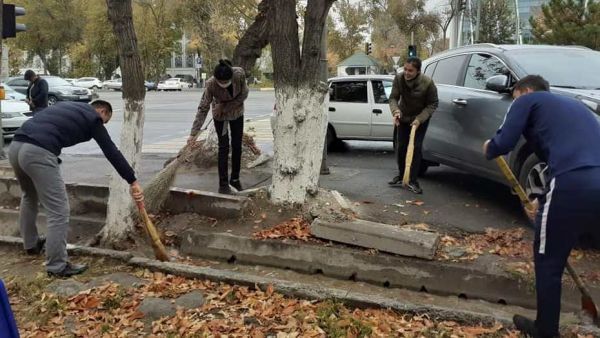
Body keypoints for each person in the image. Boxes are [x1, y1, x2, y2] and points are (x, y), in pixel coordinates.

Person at [483, 75, 600, 338]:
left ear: (524, 91)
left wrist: (490, 146)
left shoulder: (528, 100)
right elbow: (563, 158)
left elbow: (503, 142)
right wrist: (544, 200)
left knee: (548, 261)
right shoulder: (574, 107)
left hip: (572, 183)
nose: (514, 104)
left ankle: (545, 331)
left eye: (514, 99)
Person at [8, 100, 144, 278]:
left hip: (16, 147)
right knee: (59, 211)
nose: (102, 125)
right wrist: (132, 180)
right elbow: (111, 151)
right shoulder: (93, 118)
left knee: (29, 196)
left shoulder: (68, 106)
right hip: (38, 152)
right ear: (102, 111)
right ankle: (57, 266)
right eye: (105, 121)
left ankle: (31, 244)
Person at [188, 59, 249, 194]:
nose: (223, 84)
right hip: (220, 118)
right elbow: (203, 108)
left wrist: (225, 107)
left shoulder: (239, 74)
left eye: (225, 81)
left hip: (237, 114)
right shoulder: (210, 84)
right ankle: (223, 184)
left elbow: (244, 94)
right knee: (223, 147)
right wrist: (194, 133)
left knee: (237, 145)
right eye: (220, 82)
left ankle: (235, 179)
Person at [387, 57, 438, 194]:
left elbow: (433, 104)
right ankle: (402, 175)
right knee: (401, 146)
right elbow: (393, 98)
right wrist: (395, 111)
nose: (407, 73)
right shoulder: (399, 79)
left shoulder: (427, 82)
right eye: (405, 69)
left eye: (410, 70)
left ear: (418, 71)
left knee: (415, 148)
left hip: (419, 119)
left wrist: (420, 119)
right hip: (403, 117)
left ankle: (413, 181)